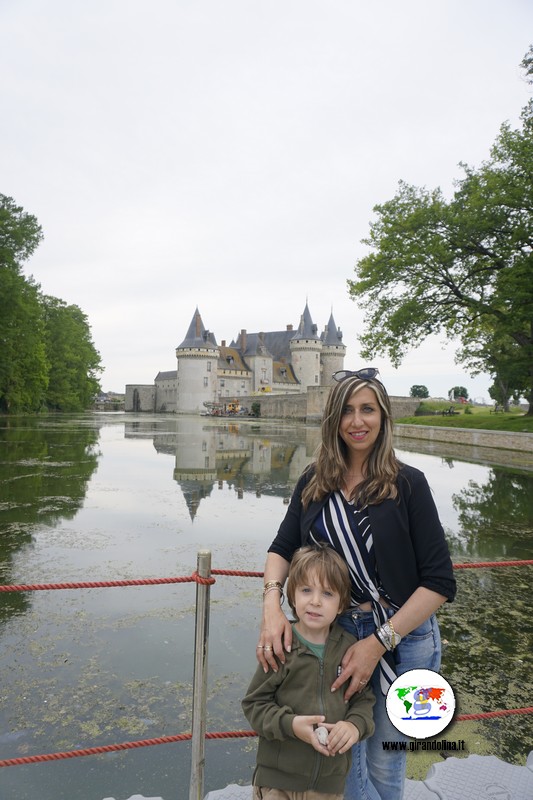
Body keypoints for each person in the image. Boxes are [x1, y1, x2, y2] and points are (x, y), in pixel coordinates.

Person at [256, 368, 456, 800]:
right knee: (340, 760)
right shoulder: (314, 480)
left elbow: (439, 582)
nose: (357, 421)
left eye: (368, 409)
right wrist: (272, 606)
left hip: (407, 638)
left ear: (383, 418)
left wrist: (377, 643)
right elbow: (281, 548)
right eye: (347, 410)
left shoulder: (408, 483)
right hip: (338, 637)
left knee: (386, 759)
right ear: (333, 418)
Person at [242, 543, 375, 800]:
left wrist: (354, 726)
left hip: (327, 788)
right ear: (292, 596)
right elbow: (254, 705)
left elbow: (364, 700)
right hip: (277, 783)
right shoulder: (282, 645)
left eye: (327, 593)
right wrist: (291, 725)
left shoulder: (349, 649)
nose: (315, 601)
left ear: (340, 605)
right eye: (306, 590)